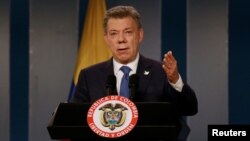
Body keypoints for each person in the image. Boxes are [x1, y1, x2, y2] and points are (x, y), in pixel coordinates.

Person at [70, 5, 198, 141]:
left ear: (140, 35)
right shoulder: (89, 76)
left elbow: (189, 108)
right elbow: (75, 122)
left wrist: (175, 81)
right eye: (113, 33)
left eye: (128, 32)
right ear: (106, 39)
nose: (121, 39)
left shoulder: (160, 72)